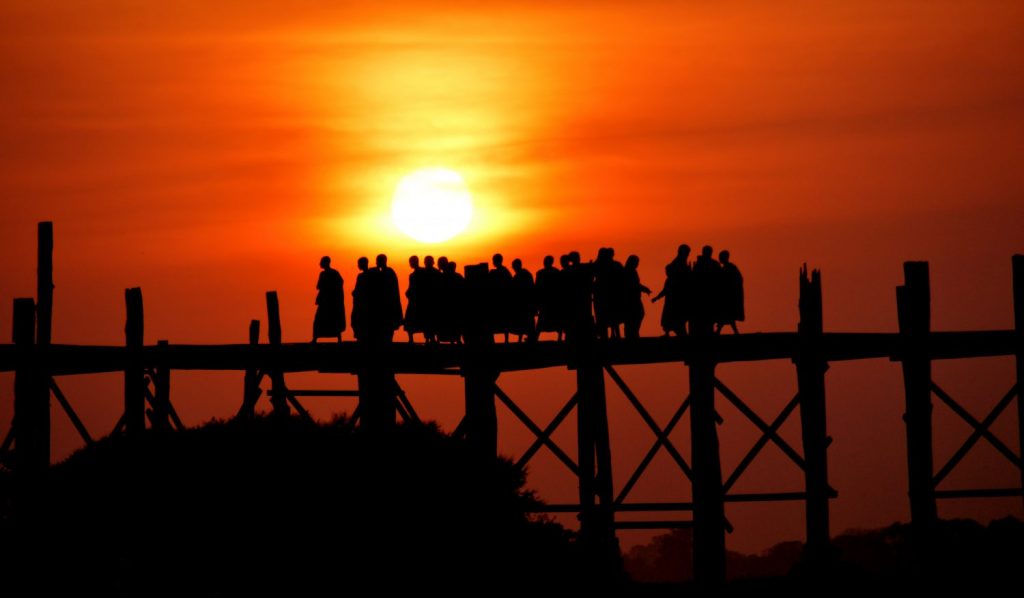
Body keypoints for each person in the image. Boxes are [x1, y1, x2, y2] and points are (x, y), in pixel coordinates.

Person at [651, 244, 690, 336]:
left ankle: (674, 332)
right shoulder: (678, 264)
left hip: (677, 297)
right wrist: (657, 297)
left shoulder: (681, 263)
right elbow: (666, 289)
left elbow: (666, 290)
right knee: (673, 316)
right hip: (675, 298)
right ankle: (671, 332)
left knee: (675, 317)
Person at [312, 256, 346, 343]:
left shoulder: (331, 273)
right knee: (320, 320)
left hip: (331, 301)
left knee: (331, 320)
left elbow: (339, 284)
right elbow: (319, 286)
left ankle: (316, 339)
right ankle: (315, 338)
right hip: (325, 301)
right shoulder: (326, 274)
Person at [690, 245, 721, 336]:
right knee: (707, 316)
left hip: (707, 294)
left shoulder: (702, 264)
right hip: (706, 294)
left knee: (707, 316)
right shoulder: (713, 264)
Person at [622, 254, 651, 339]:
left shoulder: (632, 271)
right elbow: (634, 284)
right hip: (631, 299)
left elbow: (636, 284)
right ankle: (632, 334)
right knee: (637, 315)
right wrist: (643, 289)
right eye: (636, 262)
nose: (637, 264)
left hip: (634, 298)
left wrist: (644, 288)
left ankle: (632, 334)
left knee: (635, 316)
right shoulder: (629, 271)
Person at [534, 255, 563, 341]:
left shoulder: (541, 273)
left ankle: (535, 338)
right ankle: (559, 337)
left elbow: (537, 288)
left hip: (547, 301)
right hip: (551, 301)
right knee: (552, 320)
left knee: (543, 321)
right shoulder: (556, 272)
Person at [716, 250, 744, 334]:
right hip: (729, 295)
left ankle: (719, 331)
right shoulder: (730, 268)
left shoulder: (729, 268)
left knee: (726, 314)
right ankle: (722, 331)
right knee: (727, 315)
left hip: (729, 295)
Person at [489, 253, 514, 343]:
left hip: (501, 300)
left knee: (501, 321)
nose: (493, 262)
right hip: (502, 300)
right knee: (503, 321)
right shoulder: (504, 271)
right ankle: (505, 340)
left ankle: (503, 340)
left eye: (494, 260)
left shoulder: (501, 272)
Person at [510, 258, 536, 342]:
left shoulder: (518, 276)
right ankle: (529, 337)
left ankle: (528, 338)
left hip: (523, 304)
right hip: (528, 303)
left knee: (523, 321)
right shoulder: (527, 274)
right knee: (527, 322)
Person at [404, 256, 425, 343]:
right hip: (413, 299)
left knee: (413, 318)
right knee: (410, 319)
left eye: (411, 262)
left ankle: (413, 339)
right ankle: (411, 339)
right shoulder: (412, 275)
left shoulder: (419, 274)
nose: (410, 264)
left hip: (418, 300)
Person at [350, 256, 371, 341]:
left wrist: (355, 293)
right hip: (360, 301)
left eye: (359, 264)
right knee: (356, 320)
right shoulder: (361, 275)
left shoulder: (365, 276)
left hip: (363, 303)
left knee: (359, 320)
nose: (358, 265)